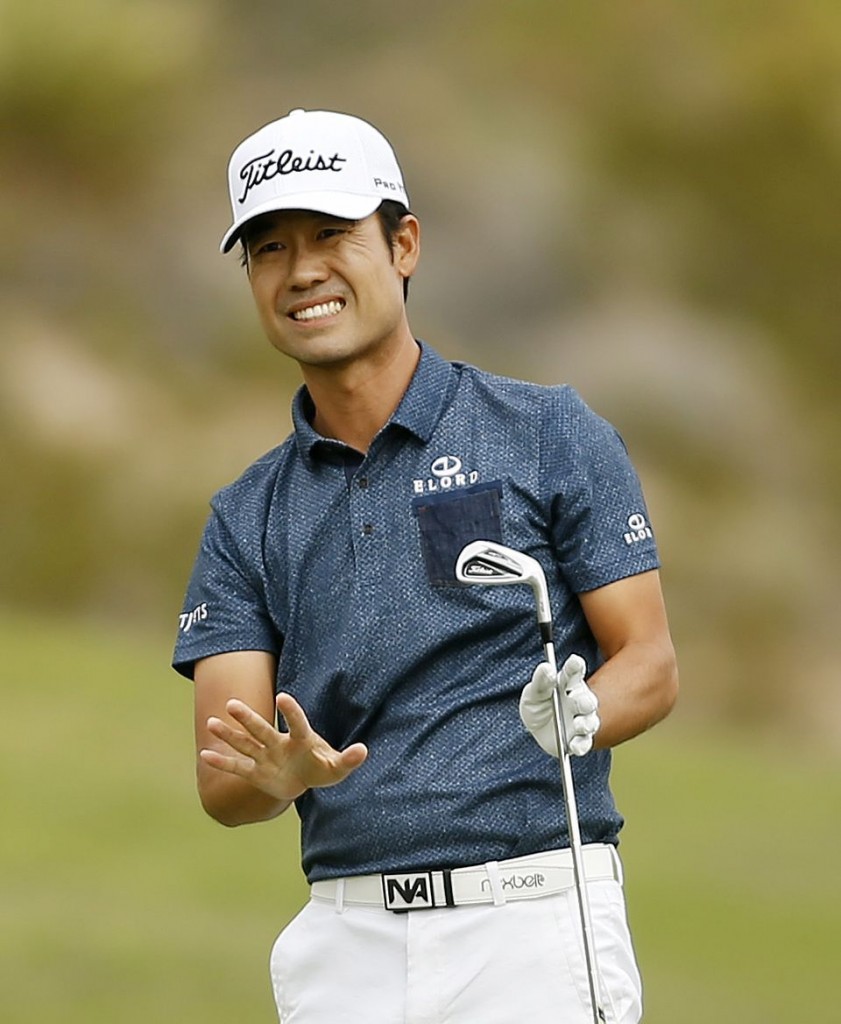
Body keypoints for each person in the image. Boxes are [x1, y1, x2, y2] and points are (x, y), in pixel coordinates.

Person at [172, 107, 678, 1024]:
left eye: (331, 235)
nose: (303, 270)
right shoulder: (246, 517)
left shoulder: (547, 432)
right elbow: (225, 774)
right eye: (270, 248)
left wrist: (580, 713)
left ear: (403, 244)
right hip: (346, 942)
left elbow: (648, 661)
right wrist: (275, 776)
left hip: (530, 923)